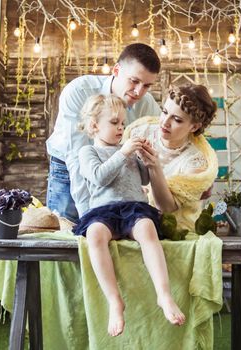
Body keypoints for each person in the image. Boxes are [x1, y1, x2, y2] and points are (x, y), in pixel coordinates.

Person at [72, 94, 185, 337]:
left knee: (147, 228)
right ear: (94, 126)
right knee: (94, 235)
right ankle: (115, 301)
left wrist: (146, 159)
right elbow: (100, 177)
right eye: (114, 123)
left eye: (123, 123)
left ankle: (164, 294)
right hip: (103, 210)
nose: (121, 128)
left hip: (134, 207)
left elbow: (143, 179)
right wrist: (123, 153)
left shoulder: (129, 151)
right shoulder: (87, 152)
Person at [46, 43, 161, 222]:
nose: (139, 92)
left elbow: (162, 144)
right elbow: (76, 160)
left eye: (147, 85)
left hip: (118, 174)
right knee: (67, 233)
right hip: (68, 170)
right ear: (116, 70)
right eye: (134, 81)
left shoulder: (147, 104)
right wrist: (88, 219)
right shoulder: (79, 91)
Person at [124, 83, 219, 232]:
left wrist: (154, 166)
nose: (165, 122)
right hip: (130, 218)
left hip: (173, 228)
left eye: (177, 119)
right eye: (164, 111)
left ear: (194, 127)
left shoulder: (196, 161)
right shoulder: (140, 132)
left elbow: (168, 208)